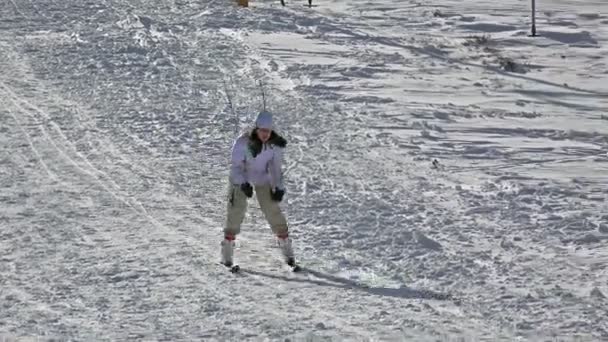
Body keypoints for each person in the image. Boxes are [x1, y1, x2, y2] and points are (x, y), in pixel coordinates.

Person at [221, 110, 295, 268]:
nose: (265, 135)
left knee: (272, 208)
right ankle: (227, 251)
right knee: (236, 209)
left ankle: (287, 249)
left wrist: (278, 187)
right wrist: (242, 183)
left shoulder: (274, 146)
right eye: (262, 131)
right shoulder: (243, 142)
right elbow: (235, 167)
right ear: (256, 129)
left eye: (268, 131)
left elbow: (275, 169)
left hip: (262, 177)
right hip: (242, 178)